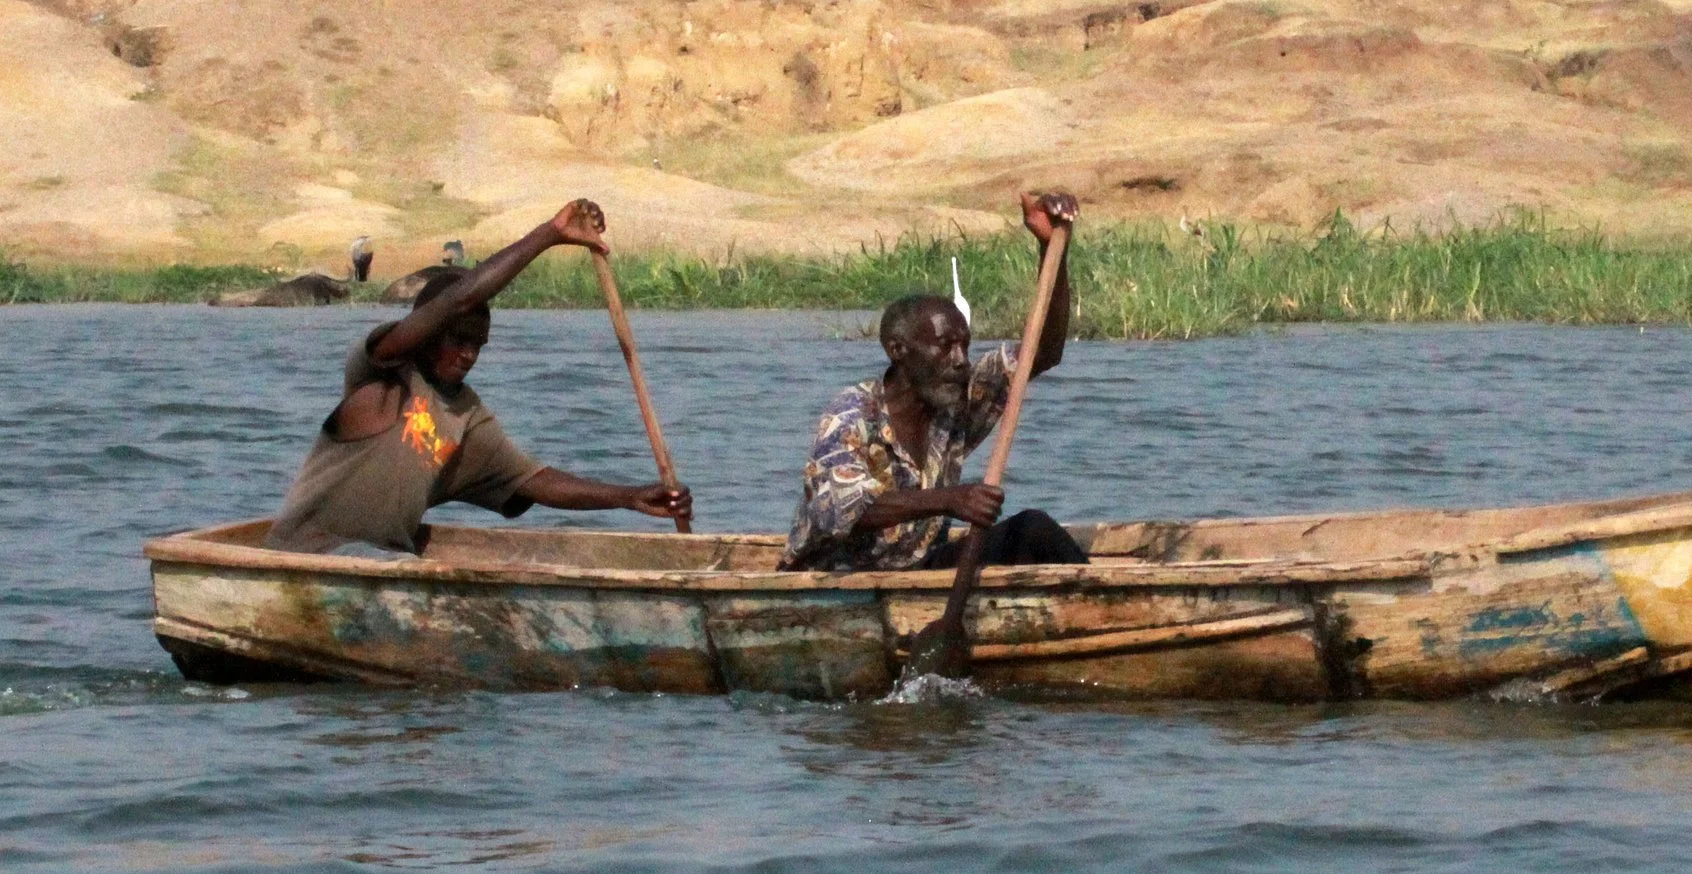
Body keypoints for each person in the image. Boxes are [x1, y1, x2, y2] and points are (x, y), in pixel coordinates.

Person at [263, 199, 693, 555]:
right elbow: (457, 301)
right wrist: (549, 234)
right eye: (459, 340)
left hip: (380, 564)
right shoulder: (383, 372)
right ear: (428, 331)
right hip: (309, 553)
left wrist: (630, 497)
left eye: (479, 346)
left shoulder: (465, 417)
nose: (469, 354)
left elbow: (534, 480)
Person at [780, 192, 1085, 573]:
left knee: (1033, 530)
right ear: (898, 350)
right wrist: (950, 500)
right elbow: (845, 510)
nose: (960, 361)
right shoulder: (852, 415)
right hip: (834, 579)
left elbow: (1042, 353)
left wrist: (1051, 247)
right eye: (945, 347)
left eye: (965, 346)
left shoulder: (957, 397)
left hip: (915, 571)